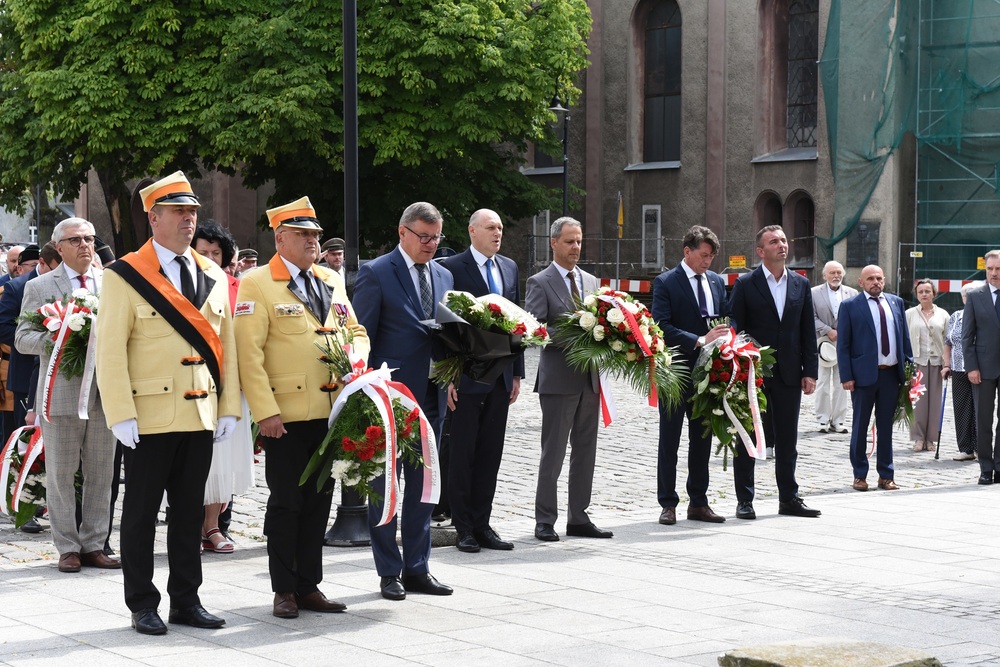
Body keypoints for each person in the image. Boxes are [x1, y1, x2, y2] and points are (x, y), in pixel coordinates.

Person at [95, 171, 240, 636]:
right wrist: (120, 412)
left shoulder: (213, 272)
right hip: (148, 416)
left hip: (199, 413)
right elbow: (110, 349)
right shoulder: (124, 275)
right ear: (153, 218)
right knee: (139, 516)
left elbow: (227, 344)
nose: (189, 219)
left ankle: (186, 599)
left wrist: (229, 405)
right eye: (179, 211)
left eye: (192, 211)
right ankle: (141, 601)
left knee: (188, 514)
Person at [235, 196, 366, 618]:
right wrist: (264, 411)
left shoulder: (330, 278)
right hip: (286, 415)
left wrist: (358, 356)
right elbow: (248, 353)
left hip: (331, 411)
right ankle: (284, 589)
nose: (313, 240)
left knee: (319, 500)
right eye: (303, 234)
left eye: (315, 234)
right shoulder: (258, 282)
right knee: (287, 501)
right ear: (280, 238)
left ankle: (310, 586)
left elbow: (354, 327)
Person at [353, 201, 454, 601]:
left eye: (436, 237)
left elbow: (448, 332)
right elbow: (361, 338)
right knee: (385, 487)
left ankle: (417, 567)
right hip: (389, 398)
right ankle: (388, 572)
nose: (430, 244)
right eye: (424, 237)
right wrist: (366, 392)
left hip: (433, 395)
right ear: (403, 233)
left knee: (423, 487)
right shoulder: (376, 273)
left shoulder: (444, 274)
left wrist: (452, 376)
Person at [14, 219, 119, 572]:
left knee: (102, 472)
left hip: (105, 393)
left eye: (89, 239)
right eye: (75, 240)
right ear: (59, 248)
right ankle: (67, 547)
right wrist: (60, 339)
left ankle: (94, 543)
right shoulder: (42, 286)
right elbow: (22, 338)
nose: (85, 245)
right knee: (61, 473)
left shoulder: (112, 283)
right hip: (59, 392)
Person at [439, 209, 522, 553]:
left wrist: (516, 372)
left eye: (500, 227)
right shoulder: (451, 268)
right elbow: (444, 325)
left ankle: (483, 522)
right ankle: (463, 527)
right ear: (472, 231)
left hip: (500, 376)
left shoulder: (509, 267)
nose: (497, 233)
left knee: (491, 451)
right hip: (467, 376)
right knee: (462, 452)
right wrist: (447, 379)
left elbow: (518, 321)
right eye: (490, 228)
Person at [524, 217, 611, 541]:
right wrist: (578, 334)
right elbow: (535, 330)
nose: (576, 247)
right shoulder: (539, 281)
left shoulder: (591, 281)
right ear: (554, 243)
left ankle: (579, 517)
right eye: (570, 241)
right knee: (554, 452)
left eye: (579, 241)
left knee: (586, 450)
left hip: (590, 380)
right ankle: (544, 520)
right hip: (558, 381)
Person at [728, 225, 820, 519]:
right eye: (774, 242)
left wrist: (811, 371)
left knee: (788, 440)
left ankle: (788, 498)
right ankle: (745, 500)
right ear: (760, 251)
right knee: (749, 437)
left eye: (783, 240)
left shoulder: (800, 284)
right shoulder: (745, 284)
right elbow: (736, 330)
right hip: (754, 375)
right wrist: (741, 368)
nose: (781, 245)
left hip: (790, 374)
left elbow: (807, 330)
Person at [651, 225, 730, 526]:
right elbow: (661, 325)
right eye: (704, 255)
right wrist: (699, 339)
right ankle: (667, 503)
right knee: (669, 439)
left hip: (709, 373)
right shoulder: (666, 282)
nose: (708, 262)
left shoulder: (716, 281)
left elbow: (725, 314)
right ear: (687, 251)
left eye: (711, 257)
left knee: (702, 439)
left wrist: (727, 335)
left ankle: (698, 501)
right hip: (676, 371)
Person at [192, 221, 254, 554]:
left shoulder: (237, 286)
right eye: (203, 252)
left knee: (222, 457)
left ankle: (213, 526)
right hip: (191, 381)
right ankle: (190, 524)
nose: (210, 258)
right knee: (193, 458)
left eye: (216, 252)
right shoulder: (180, 283)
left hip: (229, 381)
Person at [837, 265, 912, 491]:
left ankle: (886, 475)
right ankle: (860, 475)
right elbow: (843, 345)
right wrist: (847, 376)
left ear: (885, 279)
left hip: (891, 375)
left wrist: (909, 373)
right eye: (870, 279)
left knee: (886, 427)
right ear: (860, 282)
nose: (875, 282)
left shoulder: (896, 303)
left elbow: (904, 340)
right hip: (862, 377)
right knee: (860, 426)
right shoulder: (850, 306)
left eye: (879, 278)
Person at [961, 250, 1000, 485]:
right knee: (983, 420)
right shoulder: (976, 296)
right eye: (991, 269)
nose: (995, 274)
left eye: (999, 269)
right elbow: (967, 337)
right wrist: (971, 367)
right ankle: (986, 468)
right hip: (983, 369)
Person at [812, 260, 858, 434]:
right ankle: (822, 419)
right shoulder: (814, 293)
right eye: (832, 273)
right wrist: (827, 330)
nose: (836, 276)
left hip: (845, 344)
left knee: (842, 382)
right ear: (825, 275)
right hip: (823, 342)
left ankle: (838, 420)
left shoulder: (852, 293)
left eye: (839, 272)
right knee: (822, 382)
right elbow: (811, 316)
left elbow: (856, 317)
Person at [905, 279, 949, 453]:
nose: (924, 294)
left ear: (934, 294)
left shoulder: (943, 315)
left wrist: (947, 364)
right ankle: (918, 438)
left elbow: (947, 340)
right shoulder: (909, 314)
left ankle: (931, 439)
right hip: (917, 362)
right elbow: (904, 339)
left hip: (937, 363)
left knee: (935, 403)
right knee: (918, 402)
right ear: (916, 294)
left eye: (927, 291)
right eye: (920, 291)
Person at [944, 281, 981, 461]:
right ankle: (966, 448)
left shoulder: (986, 315)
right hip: (958, 368)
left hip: (980, 369)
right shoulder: (957, 316)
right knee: (962, 409)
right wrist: (946, 365)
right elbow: (948, 343)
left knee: (980, 409)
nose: (969, 298)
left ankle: (982, 447)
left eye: (972, 294)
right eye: (966, 295)